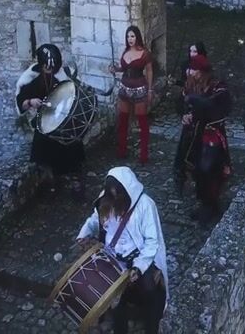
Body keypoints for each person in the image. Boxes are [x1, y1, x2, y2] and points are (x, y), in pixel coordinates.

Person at [76, 167, 169, 334]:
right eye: (111, 193)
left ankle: (152, 327)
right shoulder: (106, 199)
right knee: (114, 298)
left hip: (140, 257)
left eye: (117, 194)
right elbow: (95, 219)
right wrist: (84, 233)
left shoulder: (146, 205)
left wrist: (138, 267)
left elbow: (151, 242)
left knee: (150, 290)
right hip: (113, 257)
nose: (114, 198)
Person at [16, 43, 86, 198]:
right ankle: (51, 183)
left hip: (65, 119)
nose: (49, 70)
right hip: (43, 122)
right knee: (43, 150)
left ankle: (76, 183)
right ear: (41, 65)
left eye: (52, 67)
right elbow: (21, 101)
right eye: (46, 67)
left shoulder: (65, 75)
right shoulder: (30, 79)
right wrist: (31, 101)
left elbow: (76, 92)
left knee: (73, 145)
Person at [174, 55, 233, 224]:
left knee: (209, 170)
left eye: (194, 70)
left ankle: (211, 206)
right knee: (196, 170)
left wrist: (196, 103)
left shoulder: (218, 88)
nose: (190, 72)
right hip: (193, 136)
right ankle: (203, 203)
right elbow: (182, 105)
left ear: (201, 72)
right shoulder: (191, 85)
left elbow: (215, 107)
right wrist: (185, 115)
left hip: (211, 137)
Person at [108, 26, 154, 164]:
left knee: (142, 122)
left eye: (132, 36)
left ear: (137, 37)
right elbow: (124, 68)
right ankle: (122, 150)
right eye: (128, 36)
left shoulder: (145, 53)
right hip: (124, 88)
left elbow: (149, 71)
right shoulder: (125, 51)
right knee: (123, 120)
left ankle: (144, 154)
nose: (130, 39)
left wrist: (150, 90)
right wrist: (115, 69)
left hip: (139, 89)